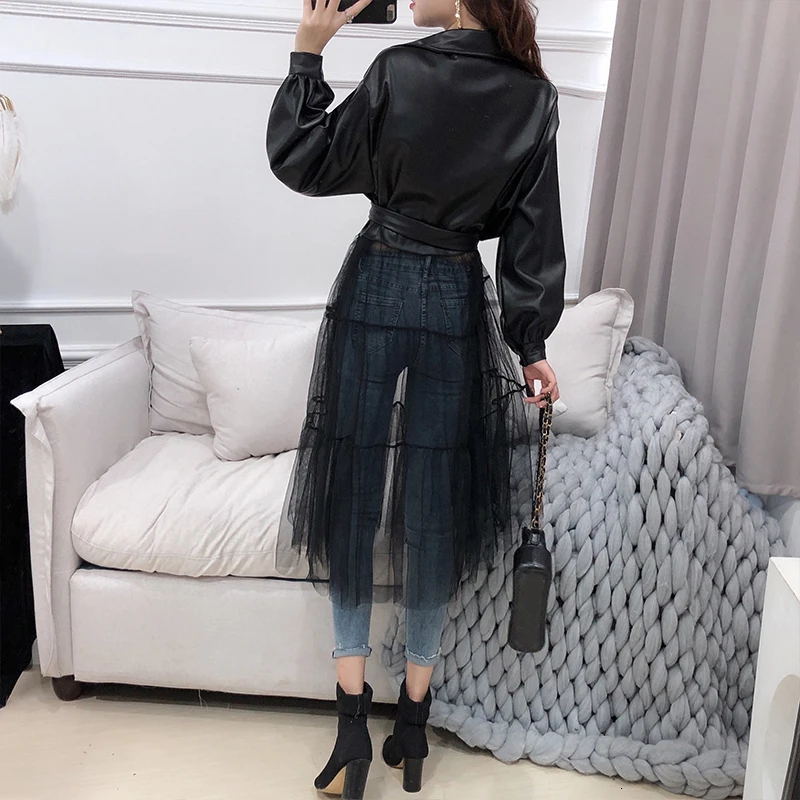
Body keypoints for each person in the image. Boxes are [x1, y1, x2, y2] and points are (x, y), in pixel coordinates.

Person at [266, 0, 565, 793]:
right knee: (435, 509)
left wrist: (307, 55)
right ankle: (412, 728)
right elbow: (533, 234)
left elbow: (305, 159)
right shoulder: (533, 97)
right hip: (456, 298)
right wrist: (531, 344)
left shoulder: (400, 70)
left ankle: (350, 731)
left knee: (352, 498)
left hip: (376, 283)